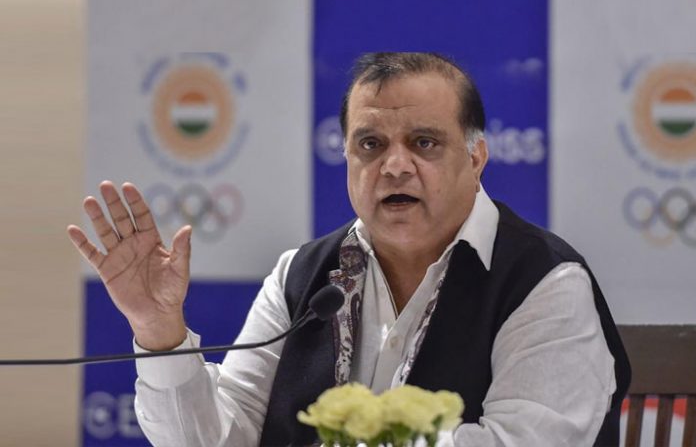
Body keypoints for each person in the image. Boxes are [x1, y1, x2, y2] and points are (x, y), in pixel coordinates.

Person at [68, 52, 630, 447]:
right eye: (370, 144)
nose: (395, 165)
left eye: (424, 142)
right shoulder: (301, 276)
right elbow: (217, 439)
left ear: (476, 157)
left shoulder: (544, 282)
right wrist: (158, 330)